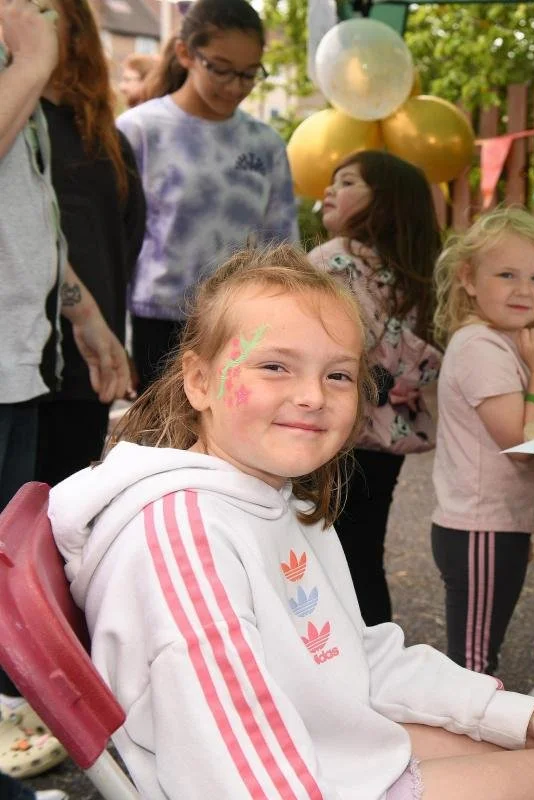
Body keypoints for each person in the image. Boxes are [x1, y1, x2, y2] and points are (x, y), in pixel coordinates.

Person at [48, 245, 534, 800]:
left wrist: (511, 714)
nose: (313, 396)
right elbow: (239, 770)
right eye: (275, 366)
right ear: (199, 382)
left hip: (325, 751)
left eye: (339, 376)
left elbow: (352, 655)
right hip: (301, 778)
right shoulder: (185, 541)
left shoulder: (279, 499)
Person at [0, 0, 128, 793]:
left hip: (17, 364)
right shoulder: (25, 67)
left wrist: (84, 317)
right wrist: (33, 67)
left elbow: (32, 215)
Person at [120, 0, 297, 386]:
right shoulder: (140, 131)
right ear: (185, 53)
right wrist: (119, 339)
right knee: (163, 444)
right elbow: (113, 245)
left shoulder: (265, 143)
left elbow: (283, 246)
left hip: (243, 325)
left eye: (250, 74)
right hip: (156, 323)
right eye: (221, 69)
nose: (235, 86)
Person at [429, 206, 534, 675]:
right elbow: (518, 438)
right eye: (506, 274)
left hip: (493, 525)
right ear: (469, 278)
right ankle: (465, 745)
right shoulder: (481, 347)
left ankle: (475, 737)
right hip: (479, 528)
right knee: (472, 665)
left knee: (479, 654)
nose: (523, 290)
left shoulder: (503, 342)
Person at [308, 151, 442, 626]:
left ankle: (340, 656)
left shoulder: (332, 259)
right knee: (364, 549)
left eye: (346, 182)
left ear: (384, 203)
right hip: (387, 437)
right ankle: (375, 651)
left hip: (330, 430)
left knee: (324, 548)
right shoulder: (422, 279)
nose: (328, 189)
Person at [35, 0, 146, 487]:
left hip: (83, 362)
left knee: (53, 519)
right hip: (26, 361)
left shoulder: (108, 139)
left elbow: (128, 237)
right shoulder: (18, 127)